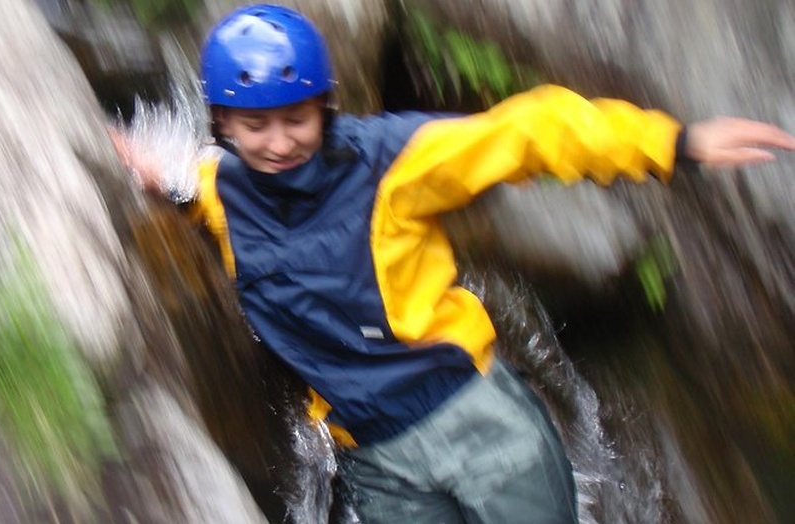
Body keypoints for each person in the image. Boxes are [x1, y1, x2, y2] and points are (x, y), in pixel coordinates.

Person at [114, 4, 795, 523]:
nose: (279, 142)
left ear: (325, 104)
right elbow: (193, 180)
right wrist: (151, 171)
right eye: (254, 125)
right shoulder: (222, 192)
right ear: (224, 126)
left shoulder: (393, 162)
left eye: (296, 117)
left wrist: (674, 143)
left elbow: (527, 133)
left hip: (475, 420)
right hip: (371, 456)